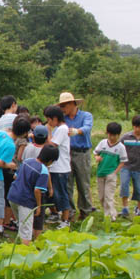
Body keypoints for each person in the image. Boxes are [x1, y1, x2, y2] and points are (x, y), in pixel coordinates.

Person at [8, 144, 59, 245]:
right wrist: (39, 207)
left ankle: (19, 246)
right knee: (26, 231)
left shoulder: (27, 161)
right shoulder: (43, 170)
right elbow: (37, 190)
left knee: (22, 224)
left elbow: (15, 176)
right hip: (25, 201)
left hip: (13, 196)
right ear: (50, 160)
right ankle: (25, 254)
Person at [59, 92, 95, 220]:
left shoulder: (86, 116)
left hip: (82, 153)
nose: (63, 109)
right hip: (67, 153)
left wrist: (77, 131)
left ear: (72, 104)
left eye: (64, 105)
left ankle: (85, 211)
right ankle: (70, 211)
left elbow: (87, 128)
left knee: (83, 183)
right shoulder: (63, 119)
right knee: (67, 184)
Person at [119, 115, 140, 218]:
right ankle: (125, 208)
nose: (137, 129)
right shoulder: (126, 137)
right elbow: (118, 149)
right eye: (135, 127)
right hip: (126, 166)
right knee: (124, 186)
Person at [44, 105, 72, 229]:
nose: (48, 122)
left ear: (55, 118)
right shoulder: (60, 129)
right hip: (56, 167)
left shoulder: (62, 129)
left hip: (61, 167)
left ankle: (66, 220)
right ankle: (57, 214)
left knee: (61, 193)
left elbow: (52, 145)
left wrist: (48, 132)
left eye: (49, 119)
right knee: (54, 193)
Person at [94, 122, 128, 221]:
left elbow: (123, 162)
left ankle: (110, 216)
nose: (111, 137)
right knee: (101, 197)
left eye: (114, 135)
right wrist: (97, 157)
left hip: (111, 174)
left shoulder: (121, 147)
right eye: (109, 134)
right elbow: (96, 153)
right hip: (100, 173)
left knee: (109, 196)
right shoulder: (103, 143)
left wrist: (115, 172)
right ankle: (108, 213)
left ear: (118, 135)